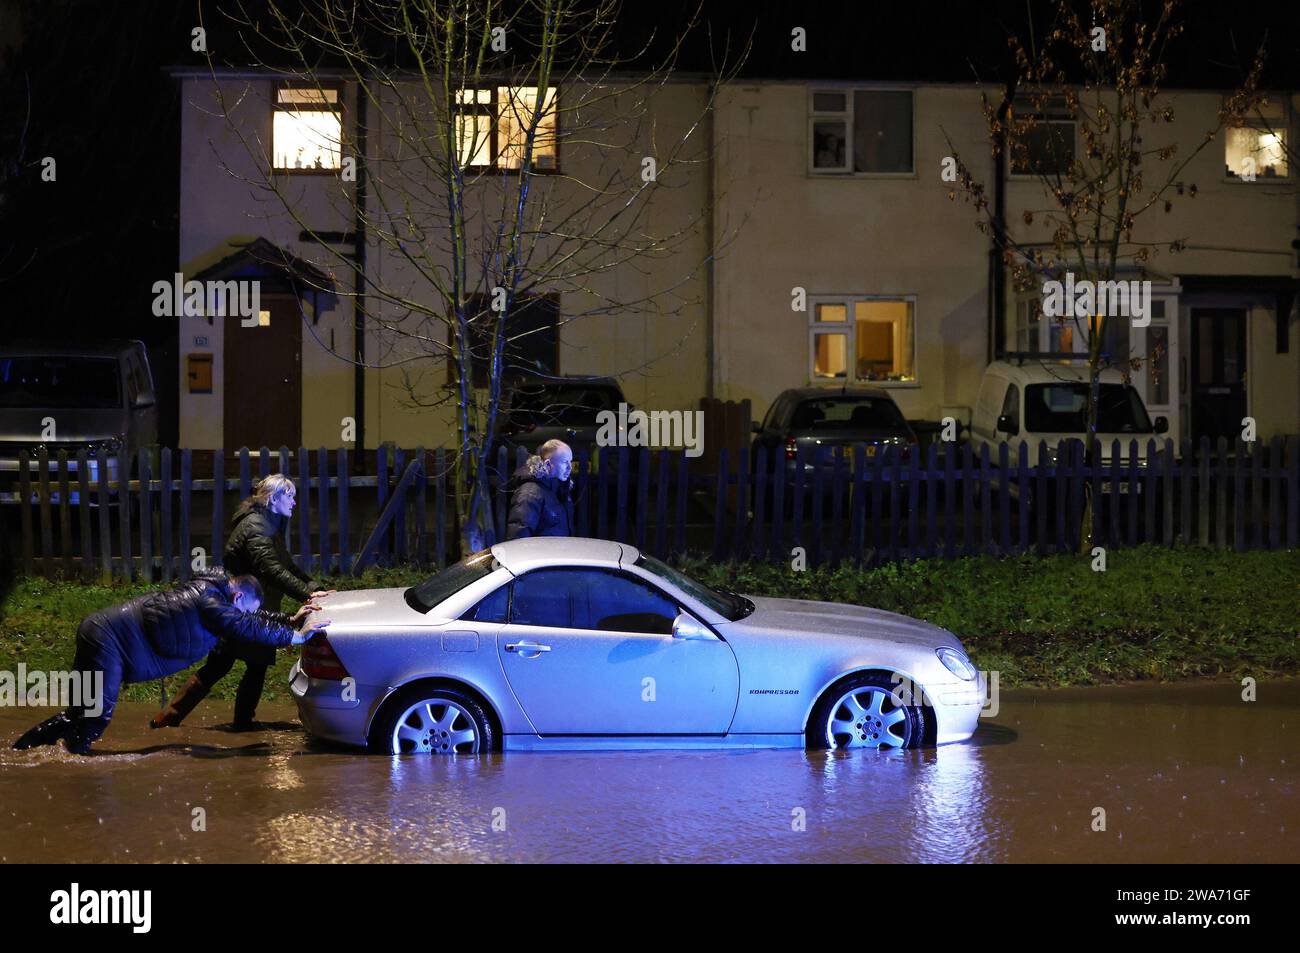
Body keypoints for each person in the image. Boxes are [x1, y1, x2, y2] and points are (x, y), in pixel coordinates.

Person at [11, 572, 328, 755]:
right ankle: (69, 768)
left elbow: (245, 619)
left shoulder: (215, 596)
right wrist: (295, 637)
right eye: (245, 609)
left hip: (101, 634)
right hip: (107, 641)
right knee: (93, 718)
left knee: (80, 713)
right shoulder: (210, 600)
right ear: (237, 598)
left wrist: (288, 619)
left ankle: (23, 752)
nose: (243, 614)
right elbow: (242, 625)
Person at [151, 473, 333, 730]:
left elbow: (285, 564)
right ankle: (230, 724)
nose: (294, 502)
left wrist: (314, 588)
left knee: (229, 665)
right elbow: (271, 569)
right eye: (289, 496)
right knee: (230, 665)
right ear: (274, 498)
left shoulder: (269, 523)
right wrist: (305, 594)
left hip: (251, 605)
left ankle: (172, 719)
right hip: (244, 607)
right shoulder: (256, 527)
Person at [505, 439, 575, 540]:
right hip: (541, 555)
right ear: (547, 464)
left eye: (570, 461)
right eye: (564, 462)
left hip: (557, 555)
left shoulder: (559, 490)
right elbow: (518, 537)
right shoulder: (530, 493)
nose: (570, 467)